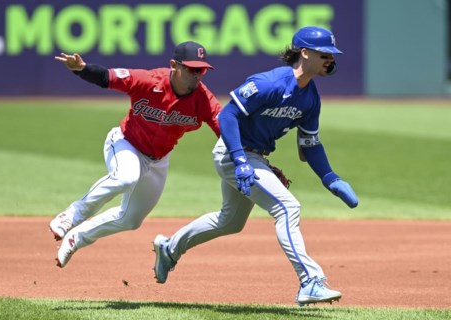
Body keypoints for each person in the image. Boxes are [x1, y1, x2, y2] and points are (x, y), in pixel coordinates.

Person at [152, 26, 358, 307]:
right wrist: (240, 161)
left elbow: (310, 144)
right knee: (287, 207)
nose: (330, 60)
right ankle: (310, 281)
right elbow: (228, 116)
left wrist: (330, 177)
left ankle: (169, 248)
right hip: (233, 153)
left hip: (254, 157)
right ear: (305, 53)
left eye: (332, 55)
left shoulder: (310, 98)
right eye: (324, 54)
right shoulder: (270, 83)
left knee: (230, 221)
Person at [50, 41, 221, 268]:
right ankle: (71, 215)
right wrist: (81, 68)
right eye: (191, 68)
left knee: (130, 219)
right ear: (174, 65)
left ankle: (76, 238)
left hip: (158, 161)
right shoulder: (148, 81)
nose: (197, 75)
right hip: (125, 144)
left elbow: (226, 130)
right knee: (125, 177)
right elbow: (107, 78)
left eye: (201, 70)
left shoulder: (204, 100)